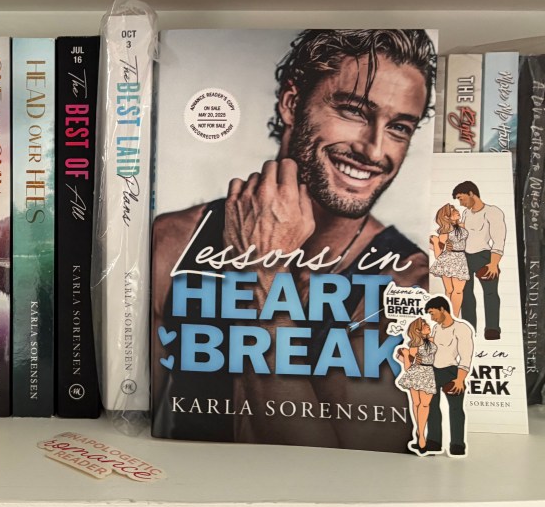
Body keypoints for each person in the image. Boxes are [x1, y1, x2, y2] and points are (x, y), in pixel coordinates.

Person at [152, 29, 436, 451]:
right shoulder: (175, 241)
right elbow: (132, 425)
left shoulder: (407, 283)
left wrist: (262, 266)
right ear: (291, 103)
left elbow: (326, 469)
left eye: (398, 127)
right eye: (355, 112)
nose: (375, 151)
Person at [452, 181, 505, 340]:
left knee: (490, 293)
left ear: (471, 193)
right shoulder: (467, 214)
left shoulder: (493, 212)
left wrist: (494, 263)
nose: (461, 204)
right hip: (465, 257)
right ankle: (469, 329)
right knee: (466, 294)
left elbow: (498, 240)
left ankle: (492, 329)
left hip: (484, 257)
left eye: (462, 199)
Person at [423, 296, 474, 456]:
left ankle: (457, 444)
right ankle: (434, 441)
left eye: (433, 313)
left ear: (442, 309)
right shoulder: (436, 328)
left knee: (456, 408)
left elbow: (466, 356)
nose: (432, 318)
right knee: (431, 407)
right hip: (433, 370)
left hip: (452, 371)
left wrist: (460, 379)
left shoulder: (461, 328)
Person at [395, 317, 437, 455]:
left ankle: (420, 434)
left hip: (429, 372)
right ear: (418, 330)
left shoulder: (431, 340)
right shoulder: (414, 346)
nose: (428, 326)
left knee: (424, 404)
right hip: (417, 373)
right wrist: (406, 355)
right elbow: (408, 367)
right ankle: (421, 437)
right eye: (425, 325)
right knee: (417, 404)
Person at [429, 203, 469, 318]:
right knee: (452, 290)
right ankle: (452, 316)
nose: (457, 211)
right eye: (453, 211)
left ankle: (452, 316)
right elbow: (438, 255)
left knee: (455, 290)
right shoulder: (444, 233)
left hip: (460, 258)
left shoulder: (462, 225)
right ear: (446, 217)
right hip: (448, 259)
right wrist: (436, 242)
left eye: (456, 209)